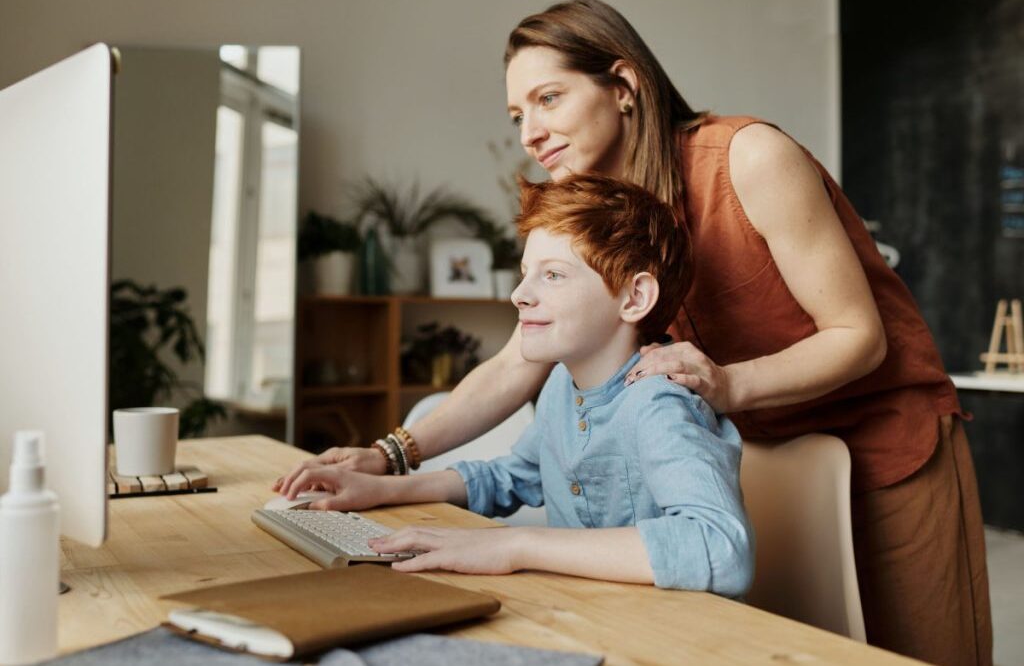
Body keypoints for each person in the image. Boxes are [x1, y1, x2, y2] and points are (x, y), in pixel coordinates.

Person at [276, 0, 990, 664]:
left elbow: (858, 335)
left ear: (623, 84)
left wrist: (727, 382)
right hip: (762, 450)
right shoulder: (593, 208)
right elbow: (515, 362)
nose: (529, 132)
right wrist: (388, 454)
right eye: (517, 113)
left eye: (548, 98)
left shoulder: (749, 158)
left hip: (887, 444)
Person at [279, 174, 754, 594]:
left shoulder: (659, 402)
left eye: (552, 275)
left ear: (634, 297)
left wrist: (516, 545)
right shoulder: (561, 388)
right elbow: (513, 477)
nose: (520, 294)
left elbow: (720, 547)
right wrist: (380, 488)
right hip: (583, 614)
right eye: (527, 273)